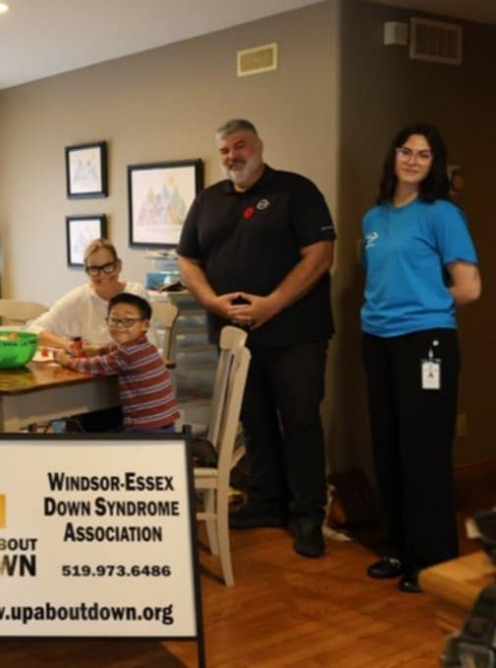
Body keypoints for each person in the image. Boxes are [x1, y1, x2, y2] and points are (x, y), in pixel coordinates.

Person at [177, 118, 335, 558]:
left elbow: (321, 255)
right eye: (225, 150)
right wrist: (210, 301)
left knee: (300, 421)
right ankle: (265, 503)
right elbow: (187, 259)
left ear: (259, 145)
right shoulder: (209, 200)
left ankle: (307, 516)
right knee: (254, 421)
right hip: (233, 335)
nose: (232, 156)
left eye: (240, 146)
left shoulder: (296, 191)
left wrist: (273, 303)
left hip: (295, 333)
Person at [360, 124, 480, 593]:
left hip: (426, 341)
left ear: (434, 164)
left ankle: (431, 560)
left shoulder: (443, 214)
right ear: (393, 156)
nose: (412, 160)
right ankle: (398, 548)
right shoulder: (374, 218)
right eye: (406, 151)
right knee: (388, 447)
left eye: (424, 154)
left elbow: (469, 288)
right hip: (377, 340)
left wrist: (424, 302)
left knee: (424, 452)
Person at [30, 238, 154, 430]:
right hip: (93, 385)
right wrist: (68, 345)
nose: (102, 275)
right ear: (87, 271)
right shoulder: (80, 297)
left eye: (108, 267)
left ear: (119, 266)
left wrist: (73, 359)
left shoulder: (134, 295)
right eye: (94, 269)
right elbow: (34, 329)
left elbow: (132, 348)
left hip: (132, 388)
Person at [55, 292, 178, 433]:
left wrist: (67, 361)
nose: (120, 325)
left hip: (145, 426)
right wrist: (99, 350)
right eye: (114, 320)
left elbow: (96, 365)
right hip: (165, 420)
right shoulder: (144, 346)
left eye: (128, 321)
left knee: (86, 423)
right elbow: (115, 347)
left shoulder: (127, 353)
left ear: (145, 325)